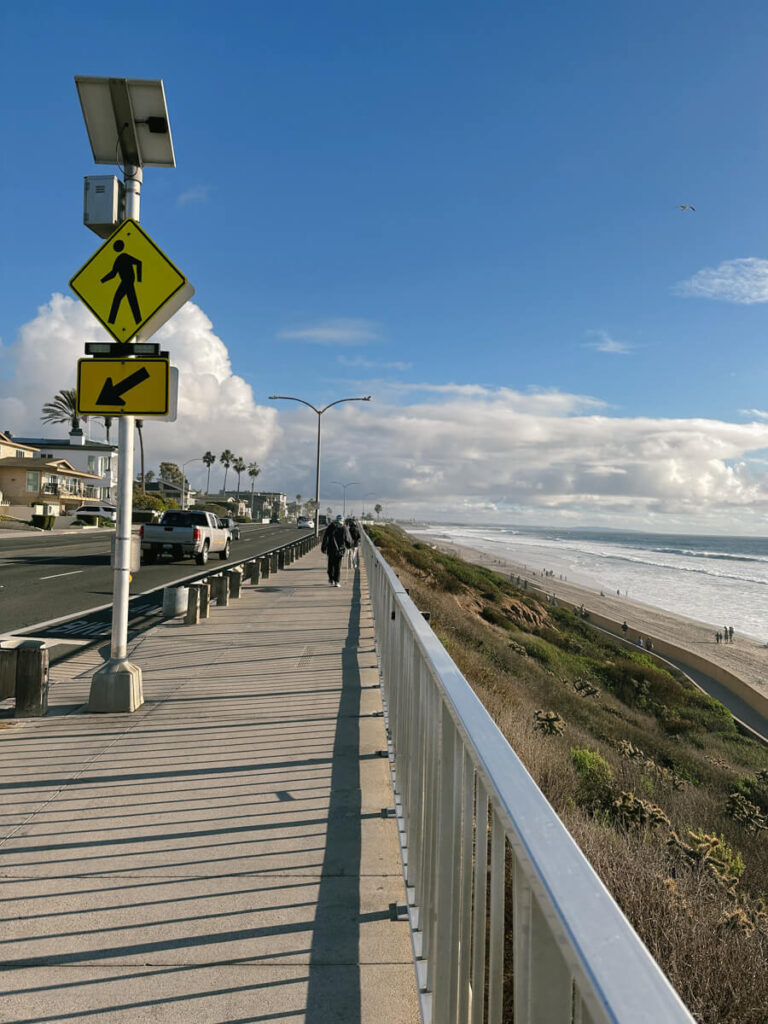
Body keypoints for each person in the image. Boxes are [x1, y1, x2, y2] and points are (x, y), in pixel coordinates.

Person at [321, 514, 352, 587]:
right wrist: (349, 546)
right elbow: (348, 539)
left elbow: (326, 538)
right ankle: (336, 581)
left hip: (331, 549)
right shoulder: (344, 528)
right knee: (337, 566)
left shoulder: (330, 527)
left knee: (330, 564)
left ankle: (331, 579)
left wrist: (324, 547)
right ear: (342, 520)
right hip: (340, 550)